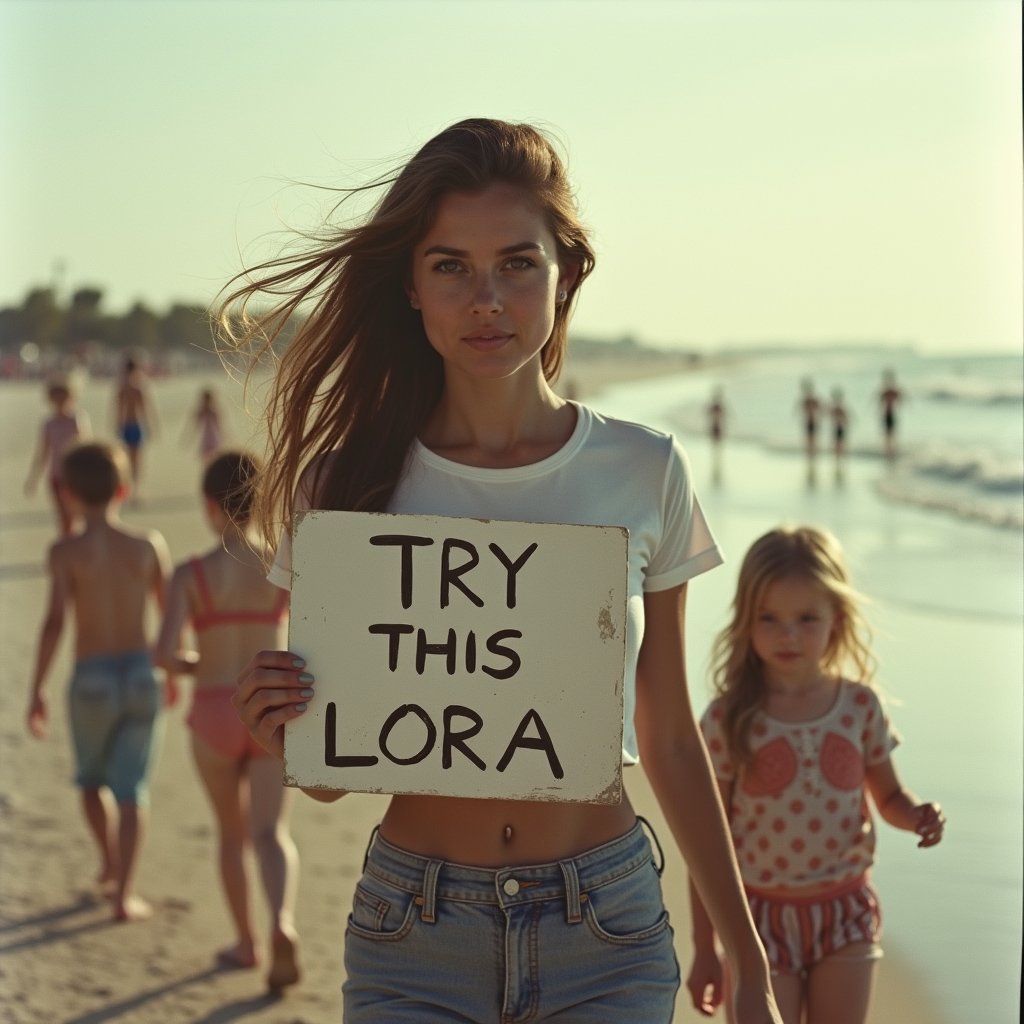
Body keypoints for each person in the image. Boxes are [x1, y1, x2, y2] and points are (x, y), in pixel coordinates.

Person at [219, 118, 782, 1023]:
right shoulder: (345, 484)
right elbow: (327, 772)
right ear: (411, 284)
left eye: (517, 263)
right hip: (415, 928)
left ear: (566, 275)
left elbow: (670, 734)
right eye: (451, 266)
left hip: (606, 925)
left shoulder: (644, 469)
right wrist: (278, 724)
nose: (486, 298)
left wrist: (746, 960)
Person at [687, 526, 945, 1024]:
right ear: (746, 620)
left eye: (806, 618)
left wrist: (915, 816)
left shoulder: (859, 708)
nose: (787, 634)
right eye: (770, 618)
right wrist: (705, 948)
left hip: (845, 912)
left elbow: (888, 795)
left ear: (837, 619)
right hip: (756, 921)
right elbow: (706, 844)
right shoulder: (727, 719)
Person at [154, 450, 300, 990]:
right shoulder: (281, 567)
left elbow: (165, 654)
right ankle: (283, 920)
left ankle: (246, 942)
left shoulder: (189, 575)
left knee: (230, 835)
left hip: (215, 707)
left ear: (210, 506)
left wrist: (201, 663)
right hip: (271, 708)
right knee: (270, 832)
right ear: (261, 502)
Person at [25, 441, 175, 921]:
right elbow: (170, 615)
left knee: (91, 781)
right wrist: (170, 671)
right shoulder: (147, 544)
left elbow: (54, 623)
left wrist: (37, 688)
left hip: (90, 677)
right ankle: (124, 895)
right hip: (139, 671)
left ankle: (109, 862)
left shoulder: (65, 551)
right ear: (124, 489)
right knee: (133, 790)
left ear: (67, 494)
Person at [23, 377, 92, 535]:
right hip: (56, 476)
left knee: (75, 516)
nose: (60, 401)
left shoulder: (77, 419)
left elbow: (86, 447)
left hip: (75, 475)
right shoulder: (48, 424)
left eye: (64, 396)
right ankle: (67, 553)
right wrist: (33, 479)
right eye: (56, 397)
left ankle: (76, 549)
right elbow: (42, 454)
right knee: (63, 519)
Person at [114, 356, 156, 492]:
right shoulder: (136, 388)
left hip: (129, 425)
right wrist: (150, 426)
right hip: (134, 425)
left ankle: (132, 488)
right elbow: (145, 410)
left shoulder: (125, 388)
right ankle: (133, 488)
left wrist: (117, 425)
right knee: (134, 459)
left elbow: (119, 410)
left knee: (130, 458)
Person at [181, 387, 224, 463]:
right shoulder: (201, 411)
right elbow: (193, 426)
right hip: (205, 438)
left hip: (213, 437)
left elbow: (219, 426)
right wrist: (187, 439)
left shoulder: (213, 411)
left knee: (214, 458)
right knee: (206, 459)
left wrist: (225, 437)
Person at [877, 369, 904, 459]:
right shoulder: (888, 391)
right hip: (887, 414)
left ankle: (890, 451)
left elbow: (900, 399)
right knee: (888, 433)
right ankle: (889, 451)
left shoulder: (890, 391)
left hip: (890, 414)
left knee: (891, 433)